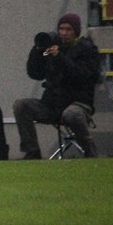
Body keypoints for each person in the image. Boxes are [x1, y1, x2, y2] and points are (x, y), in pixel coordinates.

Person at [12, 12, 101, 159]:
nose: (64, 33)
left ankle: (89, 150)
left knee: (71, 114)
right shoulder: (53, 48)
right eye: (61, 29)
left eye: (68, 29)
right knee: (21, 106)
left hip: (78, 103)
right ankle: (32, 151)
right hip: (52, 104)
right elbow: (35, 74)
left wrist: (59, 57)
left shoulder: (87, 49)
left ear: (76, 32)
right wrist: (37, 51)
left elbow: (80, 75)